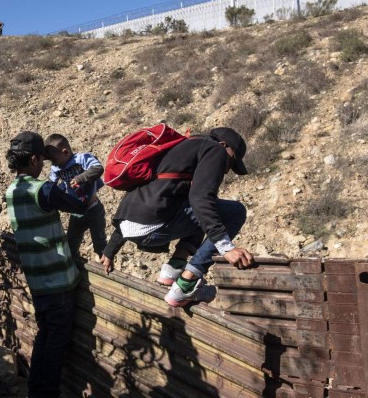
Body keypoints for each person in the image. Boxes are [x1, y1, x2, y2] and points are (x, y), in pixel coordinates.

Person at [100, 127, 255, 307]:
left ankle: (173, 269)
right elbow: (201, 199)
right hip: (153, 227)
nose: (228, 169)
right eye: (232, 161)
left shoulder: (182, 147)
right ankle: (186, 283)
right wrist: (225, 247)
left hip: (129, 223)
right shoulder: (216, 150)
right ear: (223, 145)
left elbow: (144, 202)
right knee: (234, 211)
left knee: (203, 208)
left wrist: (110, 250)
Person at [5, 131, 87, 398]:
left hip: (37, 281)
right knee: (56, 343)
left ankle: (35, 390)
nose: (43, 165)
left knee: (45, 335)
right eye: (42, 159)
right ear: (33, 159)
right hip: (58, 282)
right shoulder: (42, 189)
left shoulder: (12, 191)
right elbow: (78, 205)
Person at [44, 133, 107, 262]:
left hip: (94, 210)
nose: (53, 163)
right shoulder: (56, 168)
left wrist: (80, 178)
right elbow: (50, 185)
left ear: (65, 152)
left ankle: (106, 265)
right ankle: (74, 264)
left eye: (54, 159)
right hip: (76, 213)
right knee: (71, 242)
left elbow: (98, 168)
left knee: (99, 242)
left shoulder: (82, 158)